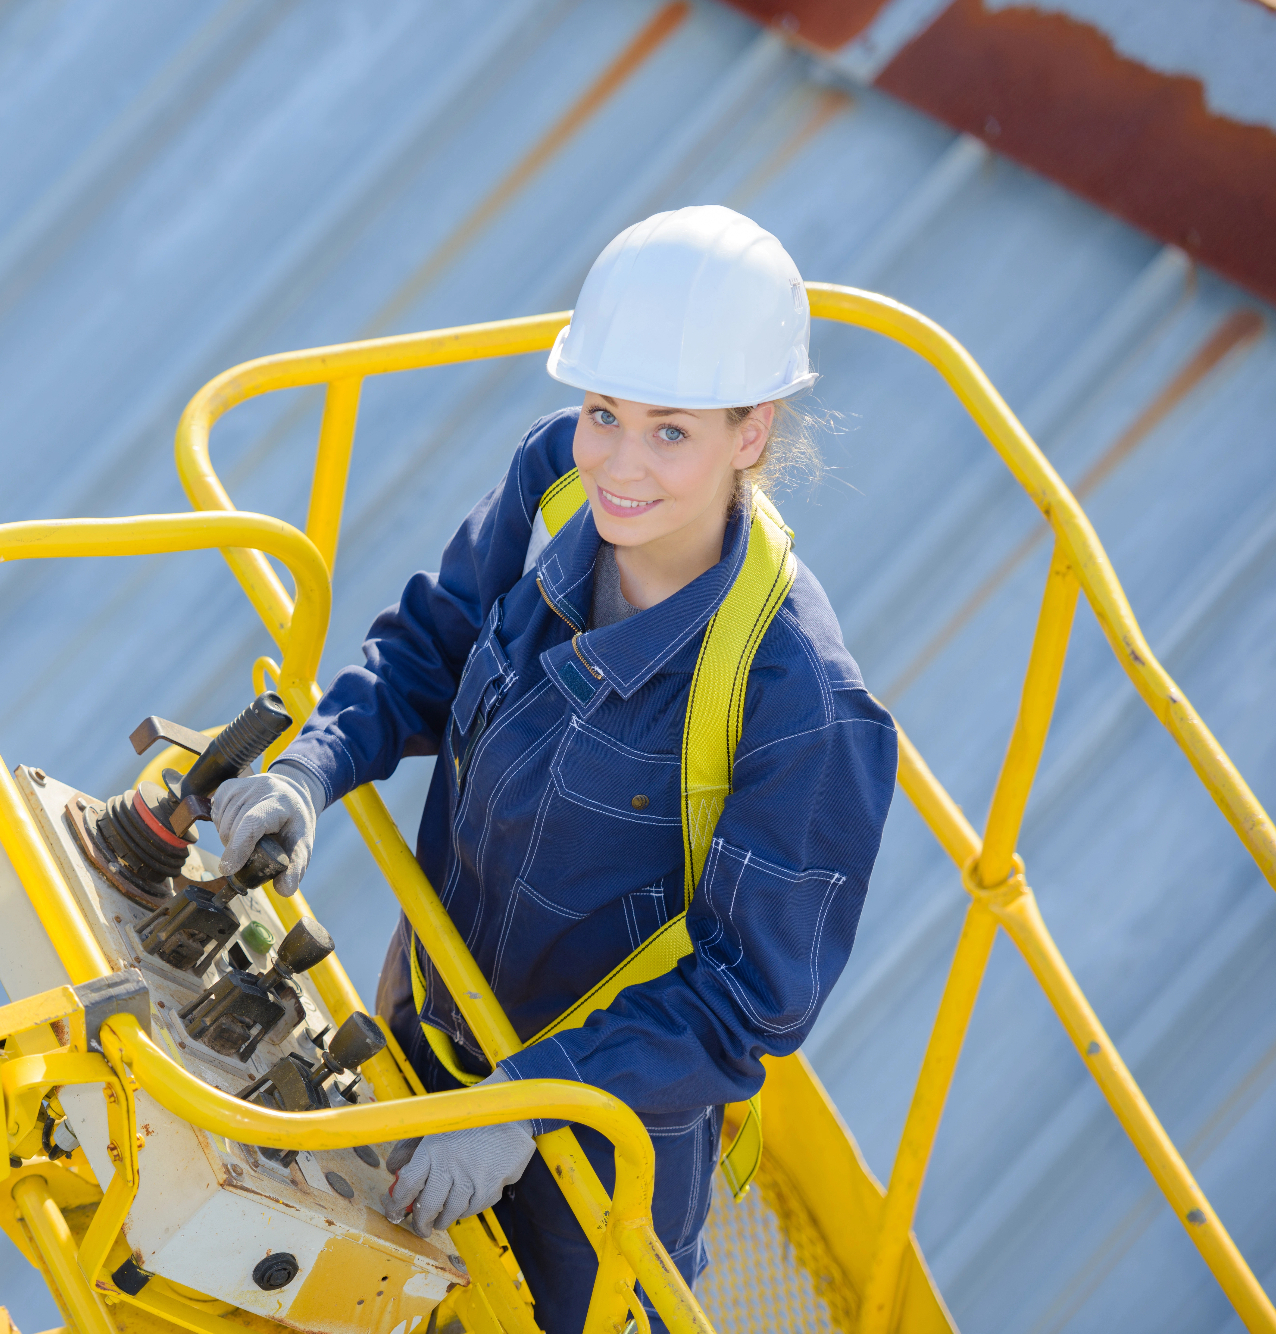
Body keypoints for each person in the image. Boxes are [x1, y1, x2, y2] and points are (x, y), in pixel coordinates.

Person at [208, 205, 898, 1331]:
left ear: (750, 431)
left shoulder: (797, 702)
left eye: (669, 431)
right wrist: (309, 769)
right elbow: (427, 650)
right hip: (422, 1029)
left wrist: (527, 1104)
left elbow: (749, 1000)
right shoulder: (553, 485)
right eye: (601, 412)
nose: (620, 464)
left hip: (589, 1170)